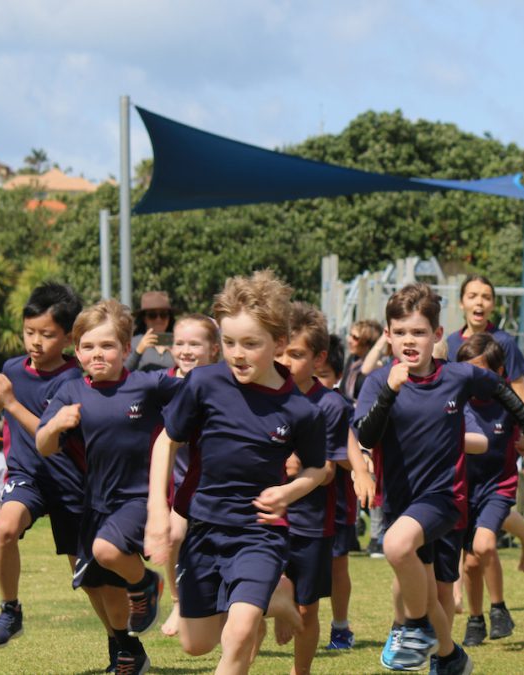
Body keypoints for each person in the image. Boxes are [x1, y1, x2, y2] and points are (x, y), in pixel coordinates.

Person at [144, 270, 328, 674]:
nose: (237, 354)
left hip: (260, 531)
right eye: (228, 343)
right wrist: (158, 511)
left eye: (250, 344)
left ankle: (264, 597)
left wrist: (289, 493)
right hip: (204, 527)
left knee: (240, 633)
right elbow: (165, 441)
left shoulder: (300, 410)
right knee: (197, 644)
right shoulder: (203, 384)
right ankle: (277, 595)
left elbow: (319, 469)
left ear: (279, 343)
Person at [353, 282, 524, 673]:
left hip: (445, 500)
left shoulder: (457, 376)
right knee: (435, 593)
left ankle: (413, 627)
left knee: (396, 546)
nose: (408, 340)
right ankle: (450, 658)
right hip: (402, 502)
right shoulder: (377, 382)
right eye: (400, 332)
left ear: (437, 336)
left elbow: (499, 386)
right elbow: (366, 436)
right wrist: (389, 392)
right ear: (387, 335)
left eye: (418, 332)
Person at [0, 283, 118, 667]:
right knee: (4, 529)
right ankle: (10, 610)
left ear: (69, 337)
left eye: (46, 335)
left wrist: (10, 402)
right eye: (29, 333)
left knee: (88, 579)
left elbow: (44, 431)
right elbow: (5, 390)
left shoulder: (74, 380)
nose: (35, 342)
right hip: (27, 476)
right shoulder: (14, 367)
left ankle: (122, 644)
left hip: (70, 481)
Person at [37, 299, 185, 674]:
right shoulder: (71, 392)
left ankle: (147, 584)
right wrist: (56, 425)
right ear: (76, 351)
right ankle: (128, 651)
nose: (97, 354)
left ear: (125, 347)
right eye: (87, 346)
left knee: (106, 551)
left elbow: (194, 391)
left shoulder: (148, 385)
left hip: (140, 498)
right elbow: (44, 444)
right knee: (106, 591)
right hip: (97, 502)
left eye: (107, 345)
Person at [275, 302, 373, 672]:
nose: (285, 361)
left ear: (318, 359)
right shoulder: (259, 394)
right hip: (264, 518)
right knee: (251, 601)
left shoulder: (329, 404)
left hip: (311, 522)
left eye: (295, 354)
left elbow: (330, 471)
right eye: (280, 351)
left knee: (308, 608)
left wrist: (304, 465)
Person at [457, 333, 524, 647]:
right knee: (470, 563)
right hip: (464, 487)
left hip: (499, 485)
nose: (474, 379)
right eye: (467, 371)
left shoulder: (506, 401)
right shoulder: (456, 401)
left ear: (499, 373)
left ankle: (499, 608)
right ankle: (475, 619)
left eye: (481, 371)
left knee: (483, 545)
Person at [158, 314, 221, 638]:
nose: (185, 350)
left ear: (213, 349)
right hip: (178, 483)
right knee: (173, 538)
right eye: (179, 343)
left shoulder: (224, 384)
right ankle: (178, 600)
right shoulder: (160, 383)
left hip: (215, 484)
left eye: (194, 344)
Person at [445, 274, 524, 402]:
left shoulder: (504, 341)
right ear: (461, 303)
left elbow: (522, 397)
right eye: (472, 296)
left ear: (493, 304)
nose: (479, 302)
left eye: (486, 297)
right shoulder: (451, 342)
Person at [125, 291, 176, 373]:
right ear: (144, 319)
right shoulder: (133, 343)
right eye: (152, 315)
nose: (158, 319)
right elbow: (122, 373)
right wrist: (138, 351)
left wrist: (177, 356)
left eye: (163, 315)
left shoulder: (179, 342)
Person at [342, 319, 381, 401]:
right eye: (350, 335)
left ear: (367, 344)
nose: (349, 340)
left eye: (355, 338)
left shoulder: (376, 366)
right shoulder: (352, 359)